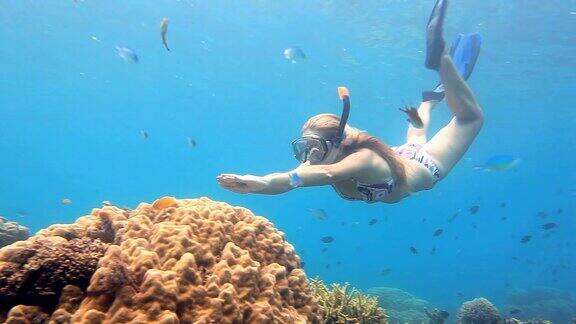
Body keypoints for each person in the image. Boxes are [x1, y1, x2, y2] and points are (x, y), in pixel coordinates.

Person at [217, 0, 484, 203]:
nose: (310, 155)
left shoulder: (361, 160)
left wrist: (261, 183)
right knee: (416, 135)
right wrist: (261, 183)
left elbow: (321, 176)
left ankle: (443, 62)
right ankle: (432, 98)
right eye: (305, 147)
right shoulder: (327, 155)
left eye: (315, 146)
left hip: (426, 166)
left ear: (336, 143)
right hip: (404, 155)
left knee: (470, 119)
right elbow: (289, 180)